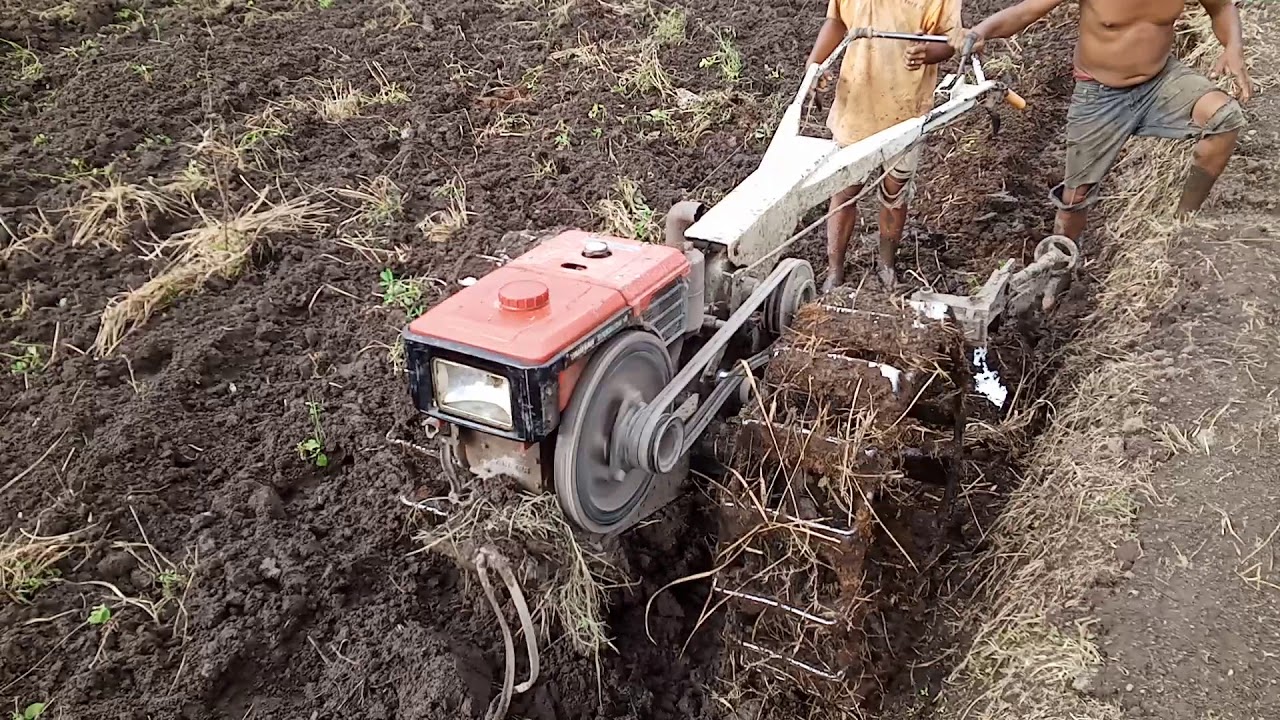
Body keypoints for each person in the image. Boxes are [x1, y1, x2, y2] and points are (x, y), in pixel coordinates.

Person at [949, 0, 1252, 307]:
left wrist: (1233, 48)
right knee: (1074, 200)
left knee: (1224, 118)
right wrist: (981, 30)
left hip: (1160, 81)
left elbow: (1222, 7)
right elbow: (1028, 11)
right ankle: (1060, 268)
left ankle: (1183, 223)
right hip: (1099, 95)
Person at [808, 0, 962, 292]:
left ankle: (886, 265)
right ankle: (834, 271)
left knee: (895, 191)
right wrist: (816, 64)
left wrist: (928, 54)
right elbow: (837, 21)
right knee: (844, 190)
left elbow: (949, 40)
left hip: (905, 109)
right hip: (856, 105)